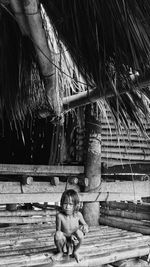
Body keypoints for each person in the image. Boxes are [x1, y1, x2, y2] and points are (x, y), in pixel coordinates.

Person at [52, 189, 88, 262]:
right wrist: (69, 236)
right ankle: (60, 252)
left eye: (71, 204)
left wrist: (85, 227)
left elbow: (85, 225)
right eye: (65, 203)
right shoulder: (60, 216)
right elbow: (58, 232)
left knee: (79, 233)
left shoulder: (78, 215)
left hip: (74, 239)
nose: (67, 207)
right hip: (64, 239)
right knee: (57, 234)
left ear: (75, 205)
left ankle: (76, 251)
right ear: (61, 203)